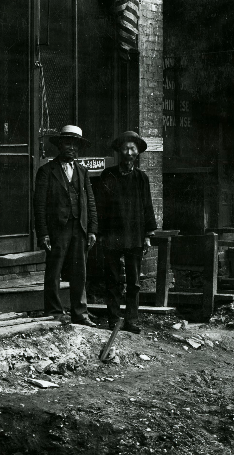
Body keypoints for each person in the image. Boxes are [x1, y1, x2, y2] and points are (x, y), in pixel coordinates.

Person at [33, 125, 98, 326]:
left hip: (79, 227)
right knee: (54, 269)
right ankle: (54, 311)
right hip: (57, 229)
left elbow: (91, 201)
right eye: (67, 143)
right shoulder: (46, 171)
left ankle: (80, 313)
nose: (71, 147)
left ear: (79, 148)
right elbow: (40, 205)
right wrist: (43, 233)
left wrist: (93, 229)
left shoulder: (82, 171)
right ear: (60, 145)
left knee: (80, 271)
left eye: (75, 144)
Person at [96, 131, 157, 334]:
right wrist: (101, 234)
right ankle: (113, 319)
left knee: (134, 281)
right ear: (119, 152)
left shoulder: (142, 179)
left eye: (133, 149)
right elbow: (101, 207)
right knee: (112, 279)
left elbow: (148, 207)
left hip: (135, 235)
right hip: (112, 235)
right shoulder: (108, 175)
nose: (129, 152)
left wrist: (148, 235)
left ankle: (131, 319)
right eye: (125, 148)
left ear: (137, 153)